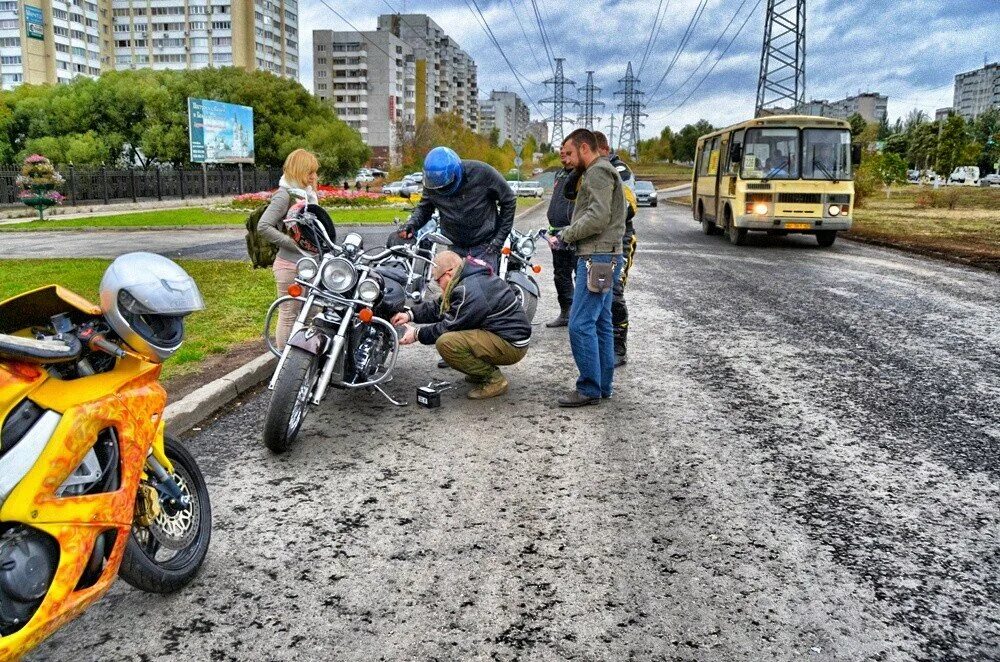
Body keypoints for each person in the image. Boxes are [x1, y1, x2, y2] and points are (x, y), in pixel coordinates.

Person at [550, 129, 626, 407]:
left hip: (597, 257)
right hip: (604, 256)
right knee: (601, 323)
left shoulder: (597, 172)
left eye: (569, 153)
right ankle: (602, 386)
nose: (566, 160)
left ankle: (589, 388)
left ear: (584, 148)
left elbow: (597, 217)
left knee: (579, 324)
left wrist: (566, 234)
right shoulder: (601, 170)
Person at [391, 250, 531, 400]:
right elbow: (441, 306)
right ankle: (480, 373)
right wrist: (410, 314)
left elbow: (448, 326)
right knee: (456, 335)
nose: (438, 285)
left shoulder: (468, 289)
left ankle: (495, 380)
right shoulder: (467, 277)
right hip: (504, 334)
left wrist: (417, 334)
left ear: (449, 273)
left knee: (447, 342)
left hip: (512, 344)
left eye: (438, 281)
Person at [399, 146, 516, 272]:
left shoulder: (482, 173)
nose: (442, 190)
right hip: (455, 245)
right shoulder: (433, 184)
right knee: (454, 288)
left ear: (456, 172)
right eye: (438, 187)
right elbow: (424, 209)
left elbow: (508, 200)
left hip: (485, 245)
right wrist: (412, 225)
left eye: (446, 185)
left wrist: (498, 240)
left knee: (483, 288)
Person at [257, 149, 320, 349]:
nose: (313, 177)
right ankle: (284, 363)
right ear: (298, 170)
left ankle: (302, 359)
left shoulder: (309, 195)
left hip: (309, 264)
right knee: (288, 314)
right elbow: (263, 226)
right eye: (309, 172)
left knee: (312, 312)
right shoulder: (284, 195)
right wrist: (293, 243)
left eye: (314, 172)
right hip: (289, 265)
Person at [594, 131, 639, 366]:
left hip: (620, 240)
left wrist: (600, 213)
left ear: (603, 149)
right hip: (595, 244)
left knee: (614, 293)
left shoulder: (620, 170)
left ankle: (619, 344)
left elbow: (629, 208)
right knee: (597, 291)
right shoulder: (591, 171)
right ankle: (603, 343)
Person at [544, 145, 580, 328]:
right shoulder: (559, 174)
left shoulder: (583, 174)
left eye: (568, 155)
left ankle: (580, 315)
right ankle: (566, 313)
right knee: (560, 275)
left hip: (575, 235)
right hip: (557, 235)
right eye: (561, 155)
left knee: (580, 275)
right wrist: (551, 232)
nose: (564, 159)